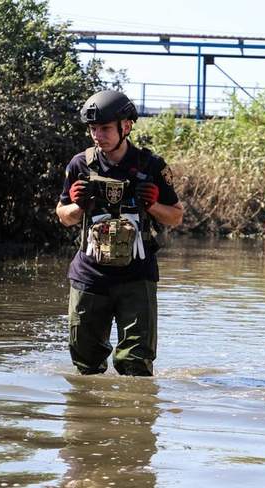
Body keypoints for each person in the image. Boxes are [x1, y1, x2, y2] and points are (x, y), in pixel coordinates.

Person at [56, 89, 183, 376]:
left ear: (126, 127)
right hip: (90, 277)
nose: (97, 135)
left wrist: (151, 204)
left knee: (135, 365)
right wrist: (79, 205)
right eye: (93, 129)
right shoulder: (80, 165)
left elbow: (176, 216)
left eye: (104, 128)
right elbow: (64, 217)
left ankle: (134, 417)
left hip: (137, 277)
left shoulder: (152, 166)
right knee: (85, 365)